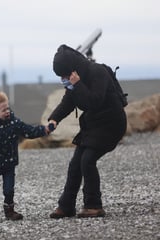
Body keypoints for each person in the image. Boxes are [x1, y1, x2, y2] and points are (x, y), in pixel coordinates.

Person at [48, 45, 127, 218]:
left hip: (111, 124)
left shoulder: (98, 72)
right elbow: (68, 101)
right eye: (61, 76)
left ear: (73, 69)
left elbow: (95, 101)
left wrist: (78, 85)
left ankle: (94, 206)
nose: (63, 79)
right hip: (93, 125)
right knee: (75, 164)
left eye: (65, 75)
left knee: (87, 160)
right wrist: (54, 119)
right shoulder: (75, 79)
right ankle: (66, 206)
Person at [0, 91, 54, 222]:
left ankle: (9, 211)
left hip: (9, 164)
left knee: (9, 189)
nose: (7, 111)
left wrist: (45, 130)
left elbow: (29, 132)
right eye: (4, 110)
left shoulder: (15, 123)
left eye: (8, 108)